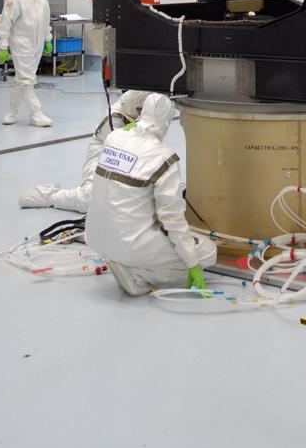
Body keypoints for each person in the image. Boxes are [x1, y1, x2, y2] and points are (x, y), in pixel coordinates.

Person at [85, 93, 217, 296]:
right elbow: (171, 220)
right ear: (167, 121)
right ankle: (138, 276)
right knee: (207, 251)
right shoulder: (164, 158)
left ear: (141, 113)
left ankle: (127, 262)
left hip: (94, 237)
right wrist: (193, 263)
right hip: (130, 243)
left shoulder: (114, 137)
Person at [19, 90, 150, 212]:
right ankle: (50, 196)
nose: (142, 113)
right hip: (103, 156)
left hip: (128, 160)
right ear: (134, 106)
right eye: (140, 110)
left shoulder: (138, 112)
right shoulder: (113, 119)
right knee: (89, 200)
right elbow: (121, 148)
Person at [0, 0, 53, 127]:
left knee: (22, 79)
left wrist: (47, 38)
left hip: (38, 42)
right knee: (28, 79)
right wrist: (3, 44)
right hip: (21, 41)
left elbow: (46, 17)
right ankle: (36, 113)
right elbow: (6, 20)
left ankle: (11, 111)